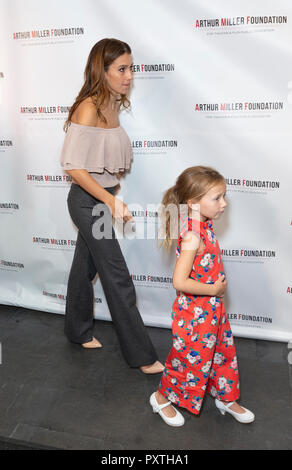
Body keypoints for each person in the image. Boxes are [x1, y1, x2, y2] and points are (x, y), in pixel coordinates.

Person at [60, 38, 164, 374]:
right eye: (121, 69)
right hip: (87, 203)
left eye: (131, 68)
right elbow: (74, 166)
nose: (129, 75)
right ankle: (142, 356)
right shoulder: (88, 107)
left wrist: (110, 194)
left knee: (84, 269)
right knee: (117, 277)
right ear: (101, 71)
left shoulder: (112, 104)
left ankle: (77, 330)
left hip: (101, 200)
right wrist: (110, 200)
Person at [150, 166, 255, 425]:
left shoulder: (204, 224)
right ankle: (161, 398)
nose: (224, 203)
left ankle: (225, 397)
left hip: (212, 310)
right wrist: (214, 290)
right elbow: (179, 281)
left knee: (222, 353)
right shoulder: (193, 236)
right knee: (188, 360)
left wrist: (215, 297)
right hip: (194, 315)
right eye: (217, 198)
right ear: (193, 202)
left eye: (224, 196)